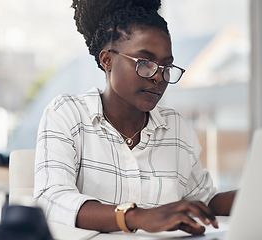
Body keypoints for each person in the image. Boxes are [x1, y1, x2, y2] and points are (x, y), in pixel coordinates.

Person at [34, 0, 236, 235]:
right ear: (107, 60)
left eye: (166, 67)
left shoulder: (175, 127)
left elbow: (203, 200)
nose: (157, 78)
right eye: (145, 63)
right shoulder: (68, 113)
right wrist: (138, 217)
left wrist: (259, 195)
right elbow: (51, 199)